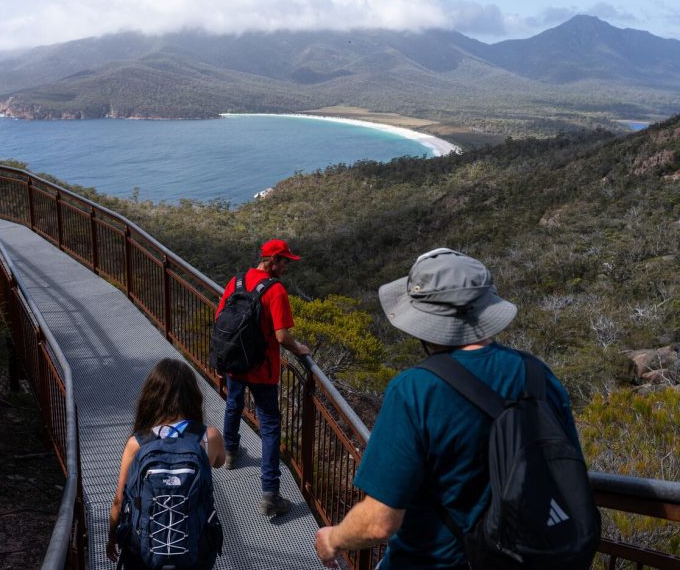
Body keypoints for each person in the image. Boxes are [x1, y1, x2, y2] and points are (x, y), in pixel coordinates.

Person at [314, 248, 584, 569]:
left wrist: (332, 539)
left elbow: (379, 522)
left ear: (426, 320)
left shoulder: (415, 390)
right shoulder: (538, 375)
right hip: (520, 557)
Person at [217, 238, 312, 517]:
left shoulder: (236, 282)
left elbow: (220, 317)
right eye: (284, 262)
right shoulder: (275, 290)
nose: (287, 267)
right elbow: (282, 336)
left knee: (234, 404)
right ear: (272, 260)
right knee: (269, 426)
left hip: (235, 363)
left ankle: (231, 453)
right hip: (263, 370)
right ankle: (270, 494)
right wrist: (300, 349)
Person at [107, 358, 226, 567]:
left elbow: (119, 501)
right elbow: (219, 462)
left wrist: (112, 538)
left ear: (151, 397)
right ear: (193, 396)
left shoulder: (136, 443)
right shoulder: (210, 437)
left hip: (143, 553)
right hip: (194, 550)